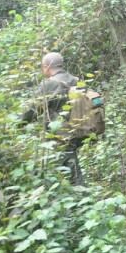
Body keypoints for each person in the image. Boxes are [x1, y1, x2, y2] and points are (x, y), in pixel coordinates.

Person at [21, 52, 85, 186]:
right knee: (66, 162)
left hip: (61, 134)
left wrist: (19, 124)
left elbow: (32, 109)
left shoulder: (48, 85)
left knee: (63, 166)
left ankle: (80, 195)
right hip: (79, 129)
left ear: (46, 67)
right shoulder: (76, 80)